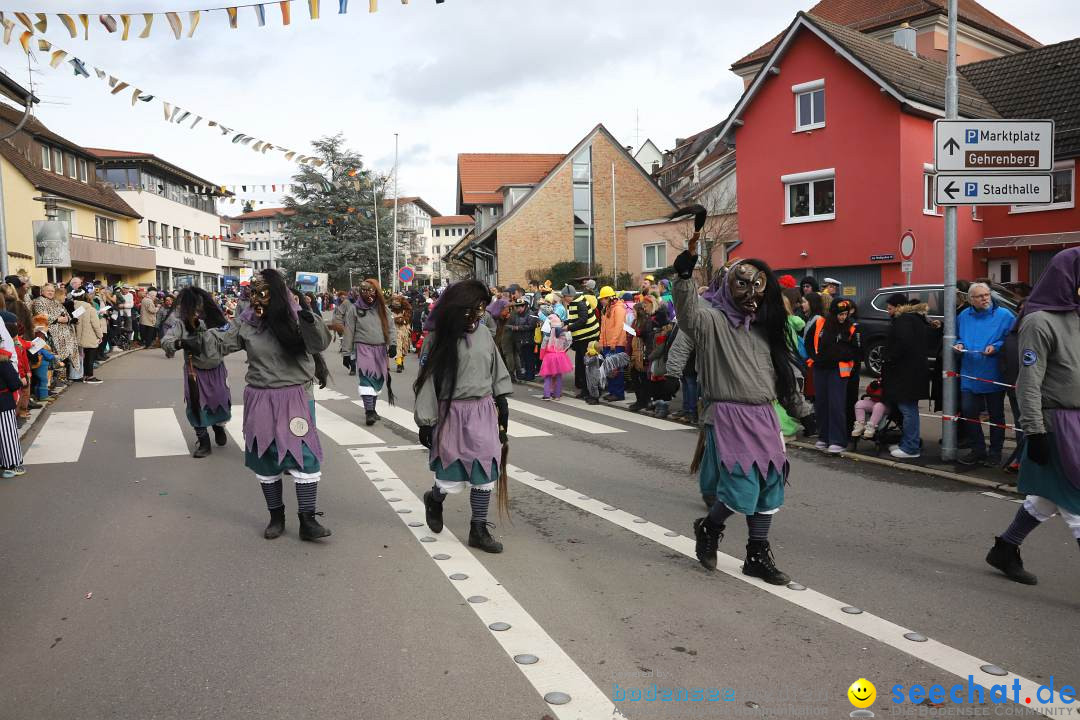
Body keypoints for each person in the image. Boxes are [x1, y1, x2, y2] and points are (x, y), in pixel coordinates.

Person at [672, 226, 814, 583]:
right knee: (740, 489)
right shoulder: (712, 319)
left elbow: (781, 374)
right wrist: (685, 276)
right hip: (729, 415)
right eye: (743, 284)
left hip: (764, 415)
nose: (751, 293)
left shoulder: (766, 326)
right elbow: (688, 316)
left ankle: (756, 553)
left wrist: (803, 411)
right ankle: (709, 527)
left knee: (770, 486)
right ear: (728, 286)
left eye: (758, 286)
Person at [182, 269, 332, 541]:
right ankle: (276, 517)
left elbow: (319, 342)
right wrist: (194, 338)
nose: (257, 299)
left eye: (263, 292)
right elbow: (221, 342)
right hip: (260, 396)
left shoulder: (297, 316)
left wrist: (309, 318)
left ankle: (308, 521)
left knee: (304, 456)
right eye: (253, 293)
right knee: (265, 455)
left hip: (295, 396)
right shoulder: (247, 323)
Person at [985, 248, 1080, 585]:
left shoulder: (1077, 317)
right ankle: (1006, 549)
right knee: (1076, 502)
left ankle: (1006, 548)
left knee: (1049, 498)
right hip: (1056, 425)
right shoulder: (1039, 322)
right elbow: (1028, 382)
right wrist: (1034, 432)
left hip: (1076, 423)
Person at [415, 279, 511, 554]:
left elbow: (495, 367)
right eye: (472, 309)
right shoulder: (437, 337)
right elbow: (426, 380)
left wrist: (501, 401)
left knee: (484, 469)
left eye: (482, 309)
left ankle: (478, 529)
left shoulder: (483, 334)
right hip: (450, 411)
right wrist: (426, 421)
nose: (477, 315)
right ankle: (435, 499)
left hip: (481, 409)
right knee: (451, 475)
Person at [162, 287, 233, 458]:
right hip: (195, 371)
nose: (197, 311)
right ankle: (203, 442)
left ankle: (218, 426)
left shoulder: (215, 320)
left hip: (217, 369)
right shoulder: (181, 322)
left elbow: (231, 338)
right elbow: (167, 339)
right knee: (195, 405)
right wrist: (180, 344)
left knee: (220, 402)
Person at [954, 282, 1015, 467]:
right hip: (969, 373)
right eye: (980, 296)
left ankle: (995, 453)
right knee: (969, 412)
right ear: (970, 299)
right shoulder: (963, 316)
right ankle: (978, 449)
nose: (985, 298)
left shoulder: (1005, 316)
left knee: (996, 416)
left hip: (993, 373)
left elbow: (1012, 340)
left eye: (987, 294)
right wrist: (959, 344)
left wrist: (996, 347)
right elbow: (958, 336)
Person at [332, 280, 392, 426]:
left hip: (380, 348)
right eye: (364, 291)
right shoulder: (354, 309)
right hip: (363, 347)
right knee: (366, 378)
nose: (367, 294)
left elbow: (391, 327)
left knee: (378, 379)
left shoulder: (383, 308)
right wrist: (346, 353)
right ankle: (369, 412)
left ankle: (372, 408)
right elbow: (349, 331)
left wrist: (394, 344)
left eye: (370, 291)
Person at [805, 299, 859, 454]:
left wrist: (839, 356)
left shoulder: (851, 328)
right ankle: (824, 437)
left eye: (845, 314)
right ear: (833, 313)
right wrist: (814, 358)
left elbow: (855, 351)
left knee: (836, 405)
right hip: (820, 368)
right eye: (840, 314)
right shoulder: (820, 323)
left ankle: (837, 440)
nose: (842, 317)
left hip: (838, 371)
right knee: (821, 404)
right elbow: (808, 341)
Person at [881, 294, 931, 460]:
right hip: (913, 372)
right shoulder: (915, 319)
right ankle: (908, 443)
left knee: (908, 410)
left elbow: (902, 344)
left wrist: (888, 357)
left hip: (905, 374)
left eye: (889, 308)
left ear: (898, 307)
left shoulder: (904, 321)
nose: (888, 312)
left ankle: (910, 447)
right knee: (909, 409)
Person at [31, 283, 75, 385]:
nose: (51, 293)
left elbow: (66, 314)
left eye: (52, 291)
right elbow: (41, 316)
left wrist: (67, 319)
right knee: (50, 358)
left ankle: (61, 379)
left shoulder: (56, 302)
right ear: (42, 291)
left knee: (60, 358)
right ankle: (50, 383)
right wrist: (58, 319)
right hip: (47, 334)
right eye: (48, 291)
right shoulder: (38, 302)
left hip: (61, 335)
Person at [563, 284, 600, 399]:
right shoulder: (574, 303)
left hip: (587, 338)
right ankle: (585, 389)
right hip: (580, 339)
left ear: (570, 296)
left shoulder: (580, 303)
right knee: (581, 365)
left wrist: (569, 327)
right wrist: (566, 322)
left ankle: (590, 391)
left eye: (564, 296)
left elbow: (583, 320)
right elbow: (576, 319)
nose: (564, 299)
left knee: (587, 366)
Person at [597, 285, 627, 402]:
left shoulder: (618, 309)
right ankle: (612, 391)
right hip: (607, 344)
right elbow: (603, 328)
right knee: (610, 369)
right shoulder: (607, 309)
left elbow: (619, 327)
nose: (601, 301)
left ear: (609, 298)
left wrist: (613, 342)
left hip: (616, 343)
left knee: (616, 370)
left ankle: (618, 393)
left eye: (603, 298)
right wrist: (601, 342)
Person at [0, 338, 25, 478]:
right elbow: (15, 383)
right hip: (3, 401)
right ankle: (12, 464)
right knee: (8, 434)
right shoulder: (3, 360)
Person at [71, 289, 104, 384]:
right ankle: (89, 376)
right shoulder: (90, 309)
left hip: (77, 337)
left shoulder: (71, 307)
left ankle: (81, 375)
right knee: (90, 357)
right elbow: (96, 325)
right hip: (89, 337)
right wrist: (100, 335)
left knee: (80, 357)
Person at [538, 314, 572, 401]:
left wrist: (542, 356)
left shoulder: (548, 335)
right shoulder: (563, 335)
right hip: (560, 356)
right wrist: (563, 351)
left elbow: (543, 346)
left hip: (549, 356)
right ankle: (557, 395)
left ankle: (547, 394)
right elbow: (568, 343)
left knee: (548, 376)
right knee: (558, 376)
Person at [507, 299, 538, 382]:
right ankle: (527, 374)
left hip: (529, 339)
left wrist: (518, 328)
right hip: (521, 339)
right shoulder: (518, 314)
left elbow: (531, 326)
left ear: (524, 306)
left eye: (519, 307)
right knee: (524, 358)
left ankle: (530, 375)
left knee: (529, 358)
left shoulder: (531, 314)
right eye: (516, 307)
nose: (517, 309)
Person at [390, 295, 412, 373]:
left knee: (404, 347)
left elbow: (408, 319)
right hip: (395, 331)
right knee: (398, 347)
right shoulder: (390, 311)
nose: (396, 303)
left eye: (398, 301)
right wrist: (396, 319)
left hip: (404, 331)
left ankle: (401, 361)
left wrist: (403, 320)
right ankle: (399, 364)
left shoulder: (405, 310)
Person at [583, 340, 605, 405]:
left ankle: (595, 398)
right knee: (590, 385)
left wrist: (587, 356)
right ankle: (591, 396)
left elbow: (587, 362)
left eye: (589, 348)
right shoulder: (594, 356)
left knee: (594, 386)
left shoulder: (596, 357)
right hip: (590, 373)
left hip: (595, 374)